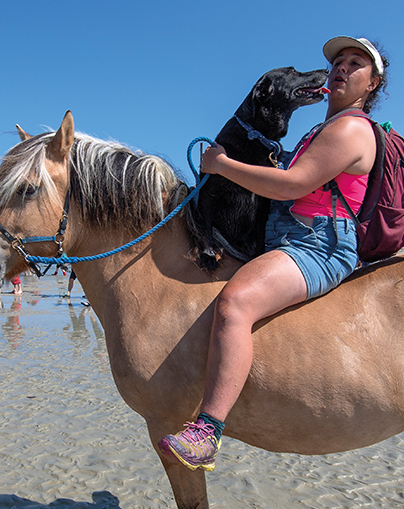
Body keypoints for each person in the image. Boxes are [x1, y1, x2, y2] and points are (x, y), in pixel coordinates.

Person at [159, 36, 386, 472]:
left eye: (355, 64)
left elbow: (292, 186)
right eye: (338, 61)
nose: (341, 68)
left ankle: (207, 432)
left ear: (372, 84)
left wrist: (221, 166)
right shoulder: (319, 131)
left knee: (235, 302)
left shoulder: (351, 128)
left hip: (317, 244)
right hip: (287, 237)